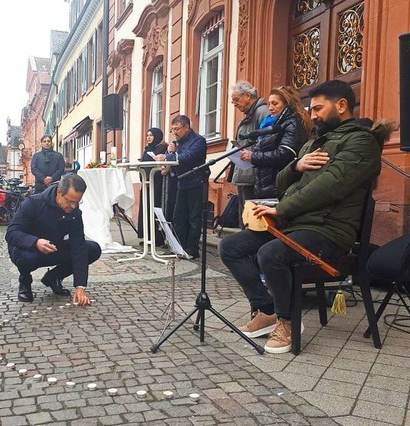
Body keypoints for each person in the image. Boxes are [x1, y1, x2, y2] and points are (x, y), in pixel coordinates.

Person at [218, 80, 384, 354]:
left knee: (270, 254)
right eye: (311, 108)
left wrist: (280, 210)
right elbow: (281, 183)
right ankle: (268, 309)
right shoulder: (314, 142)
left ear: (341, 106)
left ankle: (288, 320)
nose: (313, 115)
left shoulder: (362, 142)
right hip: (296, 223)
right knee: (230, 247)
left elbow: (330, 185)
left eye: (318, 108)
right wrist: (296, 166)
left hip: (329, 230)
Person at [6, 174, 101, 304]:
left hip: (54, 247)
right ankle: (25, 282)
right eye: (70, 201)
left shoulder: (74, 213)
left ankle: (54, 277)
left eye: (77, 202)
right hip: (27, 249)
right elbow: (11, 233)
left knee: (92, 249)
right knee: (28, 258)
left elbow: (78, 246)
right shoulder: (33, 202)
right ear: (59, 192)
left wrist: (80, 286)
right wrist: (36, 242)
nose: (73, 206)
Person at [239, 86, 311, 199]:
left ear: (287, 104)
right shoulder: (271, 124)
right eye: (269, 104)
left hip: (279, 186)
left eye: (275, 104)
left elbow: (285, 154)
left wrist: (253, 156)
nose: (271, 108)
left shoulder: (293, 124)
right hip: (266, 185)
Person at [155, 115, 207, 259]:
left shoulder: (199, 141)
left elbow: (188, 157)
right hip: (182, 183)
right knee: (178, 217)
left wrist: (169, 157)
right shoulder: (178, 143)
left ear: (186, 127)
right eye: (172, 130)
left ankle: (192, 249)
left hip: (196, 183)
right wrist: (171, 152)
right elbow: (176, 159)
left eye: (176, 129)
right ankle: (179, 247)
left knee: (194, 218)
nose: (175, 133)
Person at [229, 81, 270, 228]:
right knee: (245, 216)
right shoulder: (250, 113)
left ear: (247, 95)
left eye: (236, 100)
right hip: (245, 172)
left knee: (251, 218)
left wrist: (251, 154)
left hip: (254, 174)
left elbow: (268, 142)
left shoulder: (262, 112)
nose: (234, 104)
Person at [137, 128, 167, 246]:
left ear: (157, 136)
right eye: (147, 135)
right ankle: (147, 236)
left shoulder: (161, 148)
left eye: (151, 135)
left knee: (154, 209)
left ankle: (157, 238)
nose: (148, 137)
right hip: (146, 182)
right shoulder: (147, 149)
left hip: (157, 183)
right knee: (146, 209)